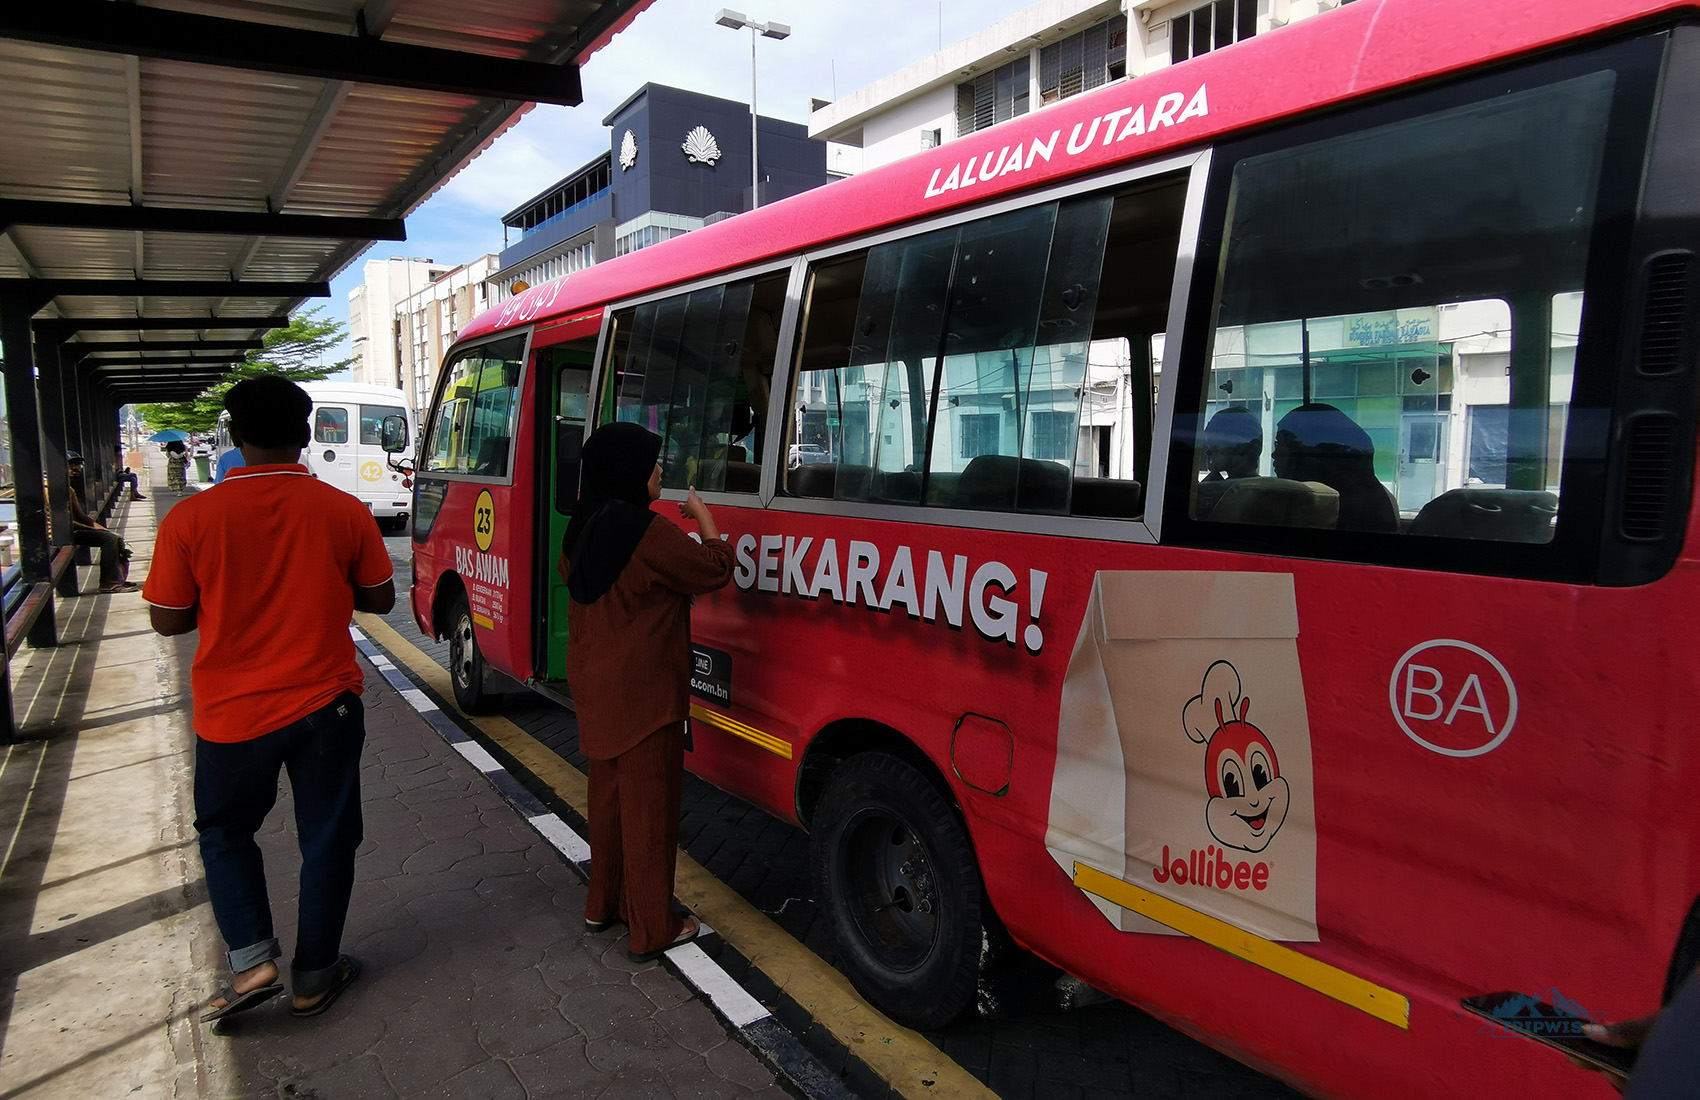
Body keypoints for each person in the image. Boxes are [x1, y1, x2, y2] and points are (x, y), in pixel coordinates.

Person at [143, 375, 395, 1024]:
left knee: (226, 833)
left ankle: (252, 960)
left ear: (235, 436)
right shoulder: (343, 511)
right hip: (326, 704)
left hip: (232, 714)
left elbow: (169, 618)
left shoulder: (191, 518)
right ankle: (314, 972)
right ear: (306, 435)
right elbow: (379, 599)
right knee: (329, 837)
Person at [559, 422, 734, 963]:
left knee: (607, 802)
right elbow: (713, 571)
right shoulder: (647, 531)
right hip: (645, 691)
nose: (659, 471)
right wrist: (706, 522)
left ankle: (601, 903)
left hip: (594, 685)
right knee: (649, 809)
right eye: (652, 463)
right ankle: (652, 926)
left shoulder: (580, 527)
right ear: (628, 471)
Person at [1272, 402, 1399, 532]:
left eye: (1280, 444)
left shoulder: (1314, 506)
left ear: (1306, 455)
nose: (1273, 454)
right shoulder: (1380, 495)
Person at [66, 452, 139, 594]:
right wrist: (92, 530)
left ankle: (117, 578)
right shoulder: (51, 490)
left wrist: (104, 530)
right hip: (57, 536)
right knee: (109, 540)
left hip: (70, 530)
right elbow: (66, 523)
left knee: (113, 537)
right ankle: (108, 583)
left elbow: (82, 517)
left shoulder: (70, 490)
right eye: (71, 465)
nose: (75, 468)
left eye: (77, 465)